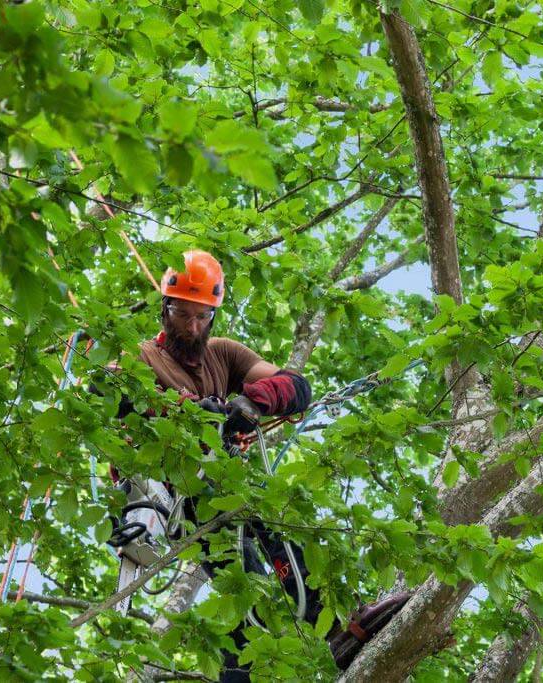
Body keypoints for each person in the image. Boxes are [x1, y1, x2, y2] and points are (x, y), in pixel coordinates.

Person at [105, 249, 409, 681]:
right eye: (182, 315)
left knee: (245, 598)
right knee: (262, 538)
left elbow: (295, 385)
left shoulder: (224, 354)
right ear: (165, 308)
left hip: (226, 485)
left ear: (213, 315)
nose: (192, 328)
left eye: (202, 317)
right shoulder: (141, 361)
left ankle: (335, 631)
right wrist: (197, 411)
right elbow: (117, 398)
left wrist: (251, 401)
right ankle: (340, 623)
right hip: (177, 493)